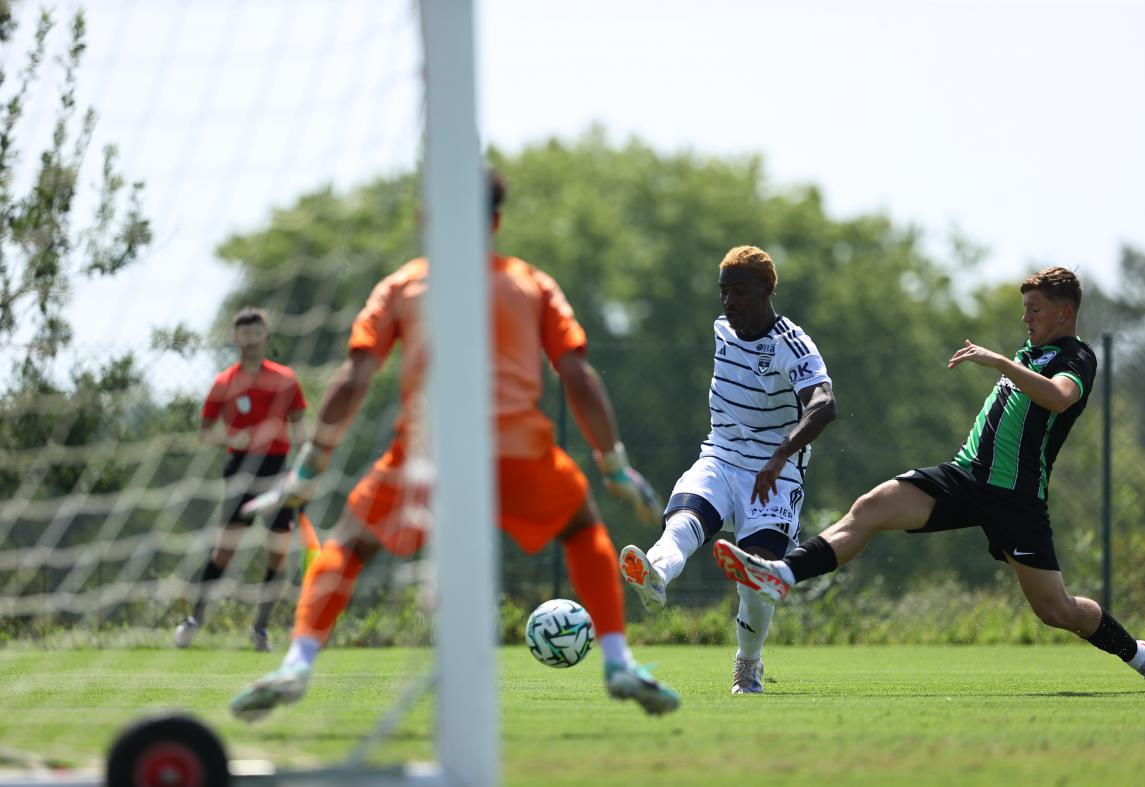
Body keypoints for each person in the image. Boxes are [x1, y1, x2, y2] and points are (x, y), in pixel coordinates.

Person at [228, 172, 680, 721]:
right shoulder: (530, 283)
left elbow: (352, 378)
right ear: (495, 221)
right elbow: (579, 377)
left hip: (425, 455)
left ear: (428, 220)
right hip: (518, 450)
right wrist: (615, 466)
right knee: (583, 529)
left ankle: (297, 664)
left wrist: (309, 468)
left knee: (348, 544)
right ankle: (617, 661)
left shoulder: (403, 285)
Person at [713, 266, 1145, 692]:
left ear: (1065, 312)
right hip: (964, 477)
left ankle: (1142, 656)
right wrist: (1012, 362)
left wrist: (1001, 363)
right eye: (1025, 311)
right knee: (872, 507)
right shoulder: (1031, 353)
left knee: (1056, 610)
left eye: (1034, 310)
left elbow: (1059, 398)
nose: (1026, 320)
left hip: (1014, 499)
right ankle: (781, 573)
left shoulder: (1077, 357)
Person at [617, 245, 837, 695]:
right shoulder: (723, 329)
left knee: (756, 576)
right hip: (719, 456)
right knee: (685, 520)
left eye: (739, 291)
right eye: (723, 291)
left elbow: (824, 404)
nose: (728, 301)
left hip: (774, 474)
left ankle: (748, 664)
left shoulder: (790, 343)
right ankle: (656, 574)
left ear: (767, 289)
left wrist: (781, 454)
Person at [174, 307, 309, 652]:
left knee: (278, 553)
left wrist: (303, 469)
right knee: (225, 551)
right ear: (236, 338)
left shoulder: (285, 379)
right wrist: (233, 440)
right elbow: (204, 432)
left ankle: (260, 630)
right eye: (245, 333)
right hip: (240, 473)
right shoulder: (224, 383)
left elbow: (301, 427)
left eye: (257, 332)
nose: (251, 339)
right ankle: (194, 621)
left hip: (277, 472)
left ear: (266, 335)